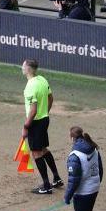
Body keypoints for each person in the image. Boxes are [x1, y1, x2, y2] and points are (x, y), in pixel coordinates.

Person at [21, 58, 63, 195]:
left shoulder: (30, 87)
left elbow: (32, 110)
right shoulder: (43, 80)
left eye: (23, 66)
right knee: (43, 149)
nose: (22, 68)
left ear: (28, 69)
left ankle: (46, 185)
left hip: (36, 122)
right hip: (44, 119)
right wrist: (45, 111)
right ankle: (56, 179)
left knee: (36, 152)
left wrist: (26, 126)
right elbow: (51, 98)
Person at [64, 126, 103, 211]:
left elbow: (73, 179)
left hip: (83, 193)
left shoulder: (74, 155)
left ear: (72, 138)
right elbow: (100, 168)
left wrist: (67, 196)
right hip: (94, 188)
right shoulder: (93, 147)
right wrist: (96, 183)